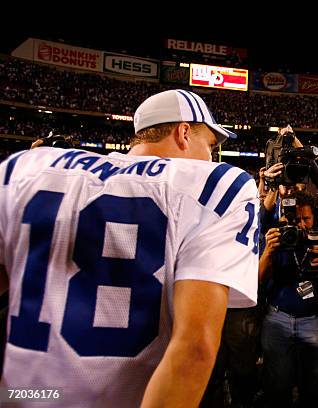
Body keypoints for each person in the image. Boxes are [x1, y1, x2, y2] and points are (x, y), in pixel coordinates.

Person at [0, 89, 259, 407]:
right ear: (184, 132)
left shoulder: (30, 167)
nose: (210, 157)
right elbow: (195, 348)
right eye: (210, 145)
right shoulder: (214, 185)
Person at [259, 191, 318, 408]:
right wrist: (267, 252)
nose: (301, 225)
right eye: (296, 219)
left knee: (315, 386)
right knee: (278, 383)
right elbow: (259, 279)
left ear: (314, 218)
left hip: (314, 319)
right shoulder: (278, 237)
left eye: (306, 219)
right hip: (278, 317)